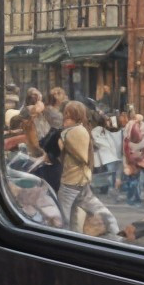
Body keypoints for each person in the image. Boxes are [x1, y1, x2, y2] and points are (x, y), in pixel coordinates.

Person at [58, 101, 120, 236]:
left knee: (63, 216)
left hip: (71, 180)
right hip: (79, 178)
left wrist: (63, 140)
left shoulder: (75, 131)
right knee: (77, 211)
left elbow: (81, 155)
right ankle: (112, 228)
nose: (65, 117)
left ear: (77, 115)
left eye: (69, 114)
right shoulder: (79, 129)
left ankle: (64, 239)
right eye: (66, 113)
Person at [121, 107, 144, 206]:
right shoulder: (139, 126)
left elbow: (126, 142)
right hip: (139, 156)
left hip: (133, 155)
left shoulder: (129, 126)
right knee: (137, 179)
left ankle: (132, 198)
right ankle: (135, 198)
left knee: (134, 178)